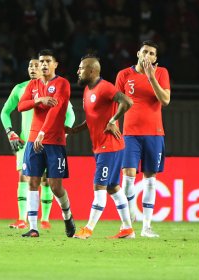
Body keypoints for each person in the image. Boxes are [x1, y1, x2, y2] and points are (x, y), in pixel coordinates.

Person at [0, 58, 75, 230]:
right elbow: (5, 112)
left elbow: (69, 114)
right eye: (30, 65)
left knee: (50, 182)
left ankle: (46, 218)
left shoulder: (57, 87)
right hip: (26, 141)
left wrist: (64, 131)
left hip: (52, 141)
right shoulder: (21, 88)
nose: (34, 68)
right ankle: (23, 220)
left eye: (38, 65)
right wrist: (10, 133)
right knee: (26, 178)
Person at [66, 54, 134, 239]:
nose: (78, 71)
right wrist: (76, 130)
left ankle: (88, 229)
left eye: (81, 68)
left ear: (92, 70)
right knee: (113, 187)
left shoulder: (105, 87)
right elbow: (93, 118)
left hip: (109, 147)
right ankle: (128, 229)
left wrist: (113, 120)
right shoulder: (88, 90)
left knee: (99, 187)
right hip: (102, 147)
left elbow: (127, 101)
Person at [115, 40, 171, 238]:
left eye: (151, 53)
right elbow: (117, 103)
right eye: (145, 51)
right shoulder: (124, 75)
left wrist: (151, 78)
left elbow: (165, 100)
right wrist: (113, 122)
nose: (147, 55)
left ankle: (146, 226)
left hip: (154, 133)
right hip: (130, 133)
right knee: (128, 176)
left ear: (155, 58)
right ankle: (129, 220)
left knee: (150, 179)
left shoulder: (161, 73)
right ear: (138, 53)